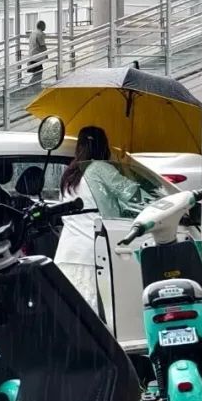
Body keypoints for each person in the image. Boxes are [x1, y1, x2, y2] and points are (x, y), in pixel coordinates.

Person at [54, 126, 143, 307]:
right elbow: (134, 195)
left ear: (79, 146)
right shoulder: (100, 168)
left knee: (72, 311)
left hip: (67, 253)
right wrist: (126, 170)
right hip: (93, 253)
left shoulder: (69, 174)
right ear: (104, 146)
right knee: (97, 313)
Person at [28, 20, 48, 86]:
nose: (45, 27)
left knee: (36, 74)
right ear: (41, 26)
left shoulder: (33, 33)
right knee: (38, 74)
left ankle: (32, 87)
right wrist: (46, 54)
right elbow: (42, 45)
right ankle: (33, 88)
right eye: (44, 25)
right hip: (37, 57)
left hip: (31, 55)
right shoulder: (40, 34)